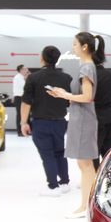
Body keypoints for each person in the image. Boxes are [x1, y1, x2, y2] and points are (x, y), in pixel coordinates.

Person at [47, 32, 101, 218]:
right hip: (82, 117)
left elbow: (87, 97)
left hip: (84, 119)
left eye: (75, 44)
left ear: (85, 46)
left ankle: (86, 207)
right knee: (85, 164)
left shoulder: (86, 68)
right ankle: (89, 206)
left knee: (85, 165)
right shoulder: (87, 67)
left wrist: (64, 95)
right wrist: (65, 94)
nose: (73, 48)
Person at [21, 46, 73, 197]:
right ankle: (64, 182)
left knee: (47, 154)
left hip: (41, 122)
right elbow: (68, 100)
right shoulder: (66, 78)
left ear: (42, 58)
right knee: (60, 152)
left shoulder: (33, 78)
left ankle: (53, 186)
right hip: (60, 121)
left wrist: (23, 123)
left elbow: (26, 102)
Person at [93, 60, 111, 169]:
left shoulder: (89, 75)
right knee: (109, 152)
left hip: (94, 117)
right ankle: (110, 178)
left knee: (93, 153)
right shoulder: (110, 74)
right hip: (109, 115)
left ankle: (95, 178)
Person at [11, 65, 29, 137]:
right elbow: (25, 86)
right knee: (20, 115)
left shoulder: (21, 77)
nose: (26, 70)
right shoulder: (18, 77)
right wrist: (26, 78)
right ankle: (20, 131)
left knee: (24, 114)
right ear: (21, 70)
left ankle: (25, 130)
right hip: (19, 98)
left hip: (22, 97)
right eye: (25, 69)